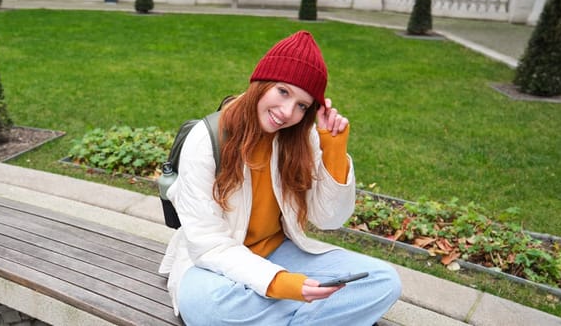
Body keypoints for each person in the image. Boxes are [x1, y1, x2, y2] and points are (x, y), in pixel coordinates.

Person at [158, 30, 401, 325]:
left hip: (280, 252)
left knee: (383, 281)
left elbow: (329, 219)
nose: (287, 112)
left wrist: (334, 148)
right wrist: (284, 285)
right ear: (261, 83)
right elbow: (209, 245)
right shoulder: (206, 139)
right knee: (207, 307)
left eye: (302, 105)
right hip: (211, 263)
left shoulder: (301, 138)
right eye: (283, 91)